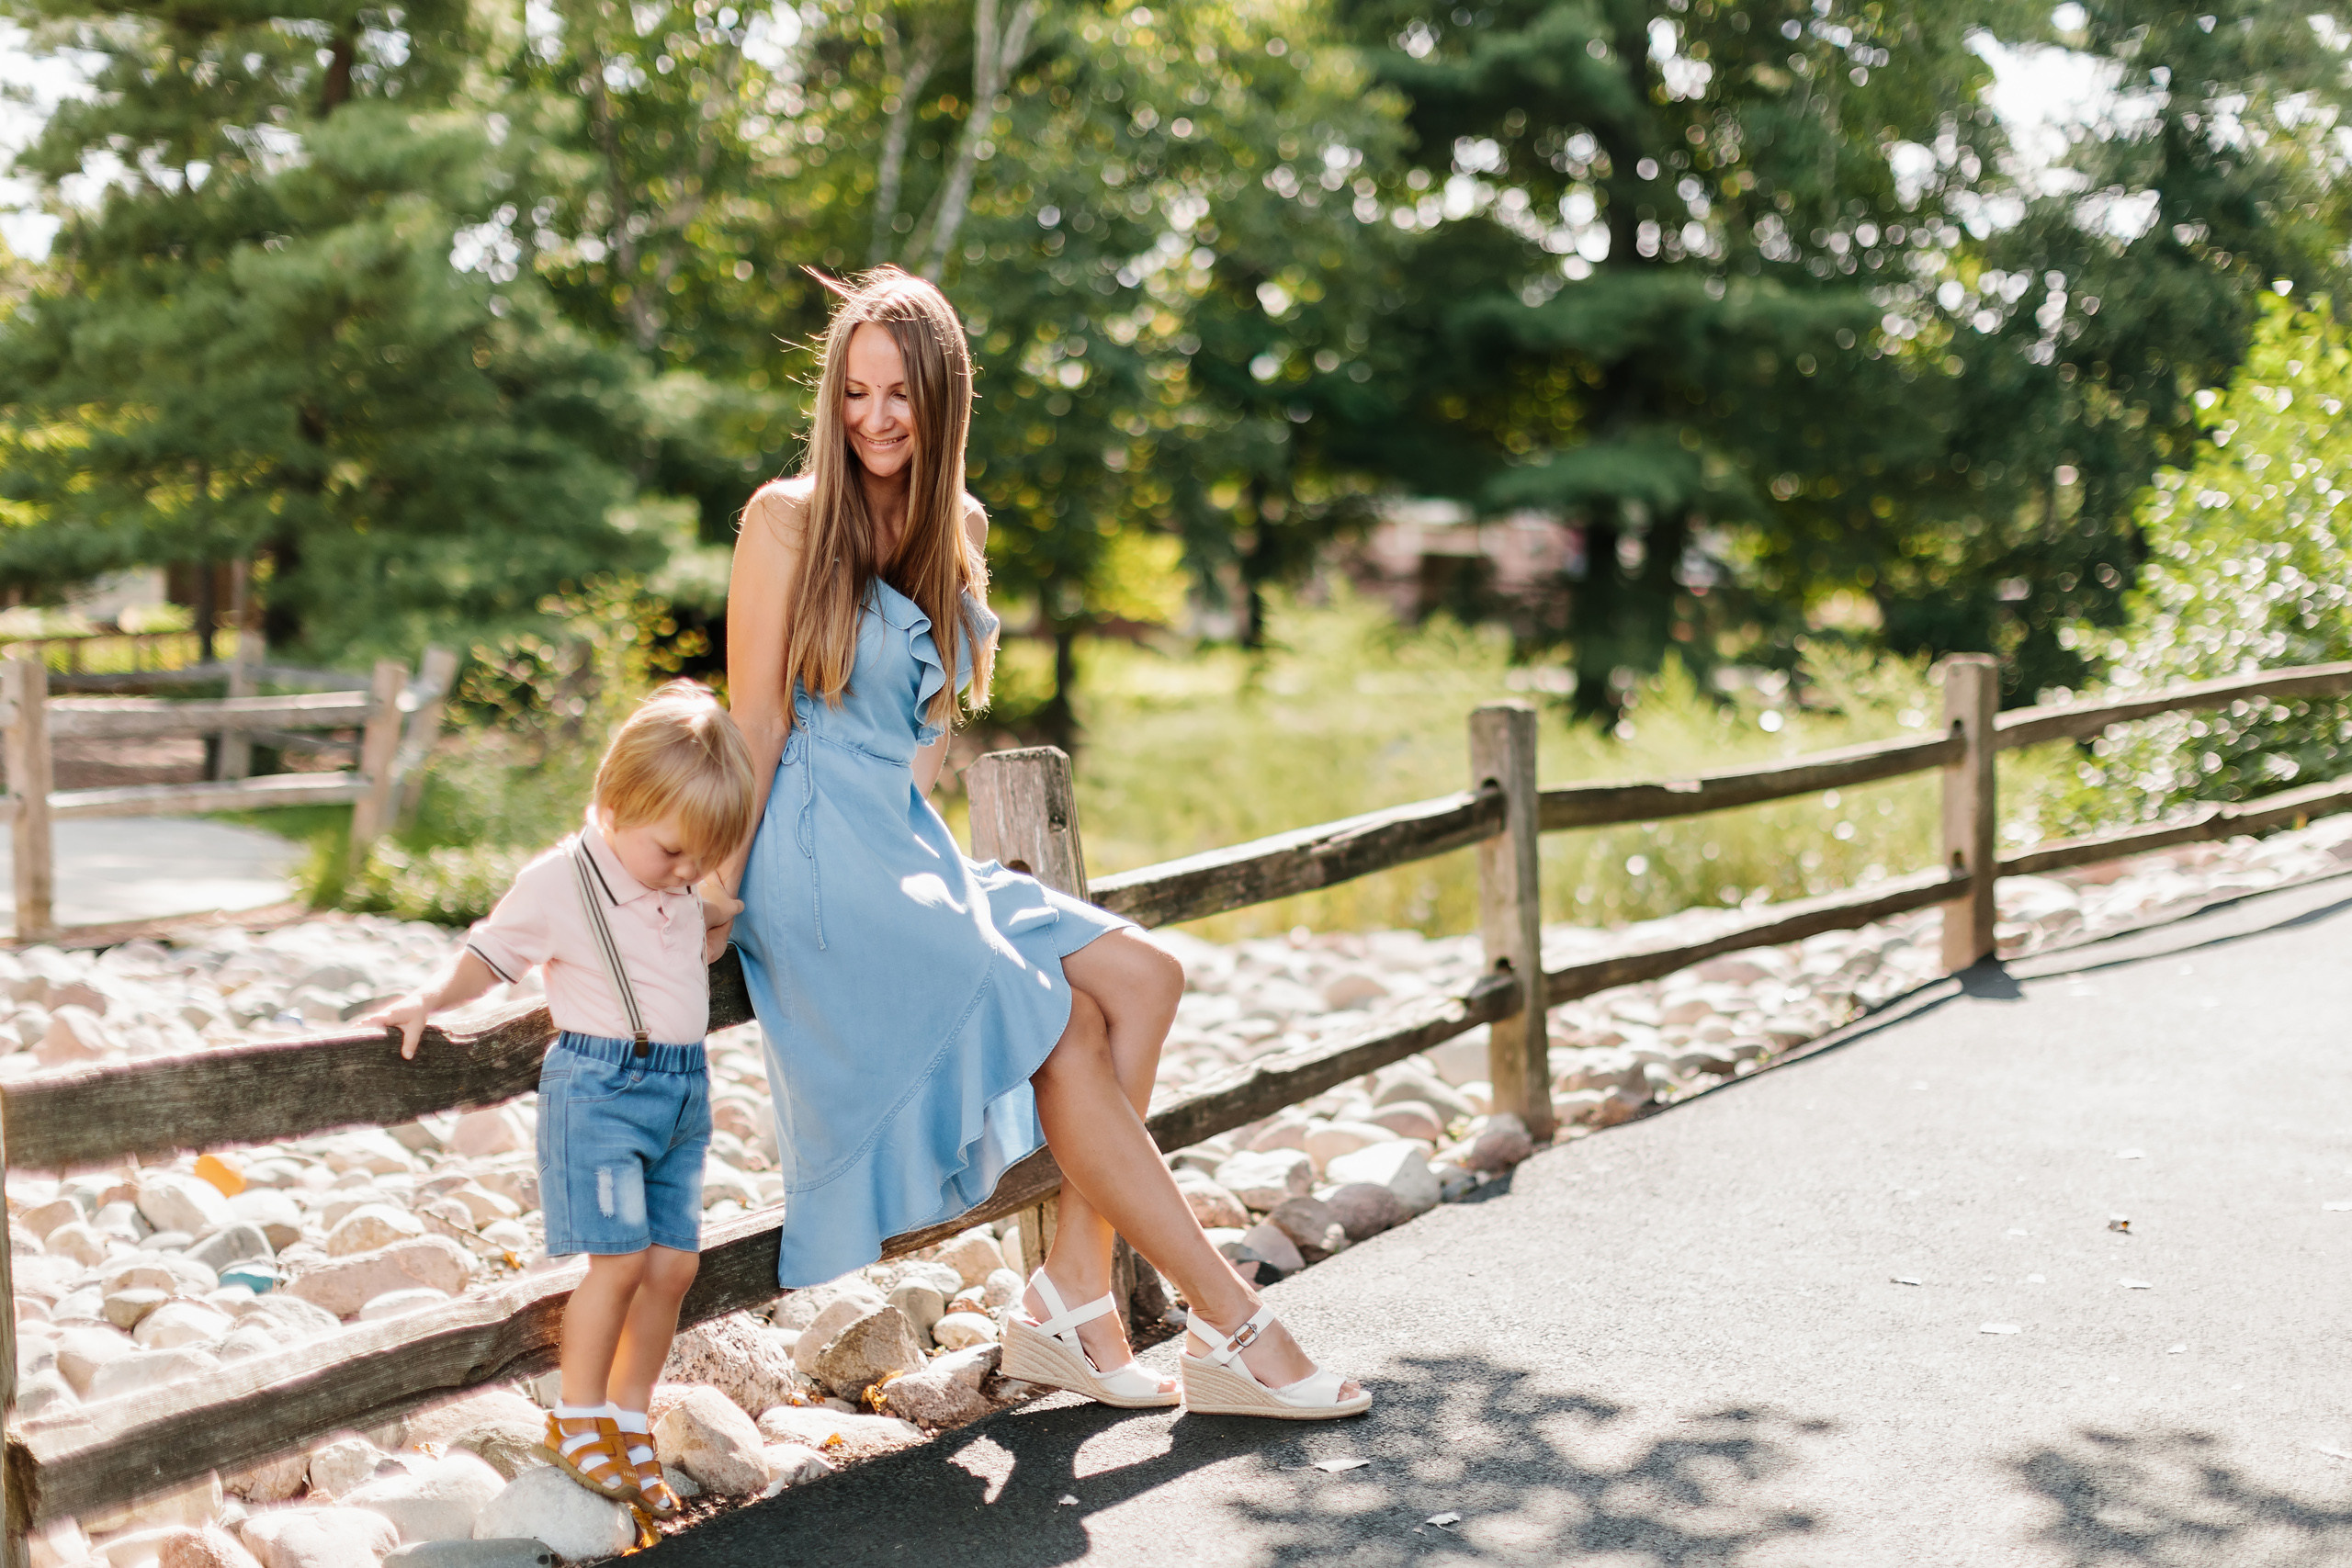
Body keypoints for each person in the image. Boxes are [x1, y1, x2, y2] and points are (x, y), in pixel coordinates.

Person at [702, 265, 1367, 1420]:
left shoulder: (958, 527)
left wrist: (937, 874)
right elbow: (753, 720)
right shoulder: (784, 519)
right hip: (809, 851)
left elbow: (924, 742)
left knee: (1144, 977)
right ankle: (1235, 1324)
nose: (874, 419)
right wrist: (716, 886)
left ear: (943, 398)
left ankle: (1069, 1294)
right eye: (853, 393)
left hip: (899, 838)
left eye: (899, 394)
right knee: (1057, 1020)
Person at [368, 681, 758, 1513]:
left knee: (674, 1265)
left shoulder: (680, 885)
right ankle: (579, 1416)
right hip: (602, 1093)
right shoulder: (563, 882)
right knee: (618, 1263)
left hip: (683, 1092)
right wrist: (430, 998)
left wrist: (713, 908)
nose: (686, 872)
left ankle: (629, 1413)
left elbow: (701, 907)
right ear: (615, 805)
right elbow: (491, 953)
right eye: (673, 851)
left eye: (702, 857)